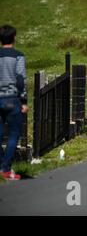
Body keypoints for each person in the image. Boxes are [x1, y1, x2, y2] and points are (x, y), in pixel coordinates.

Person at [0, 25, 28, 180]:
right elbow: (20, 78)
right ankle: (5, 168)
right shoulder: (18, 56)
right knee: (13, 134)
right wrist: (23, 100)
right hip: (12, 98)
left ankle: (2, 165)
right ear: (14, 37)